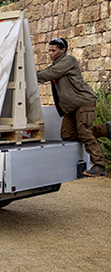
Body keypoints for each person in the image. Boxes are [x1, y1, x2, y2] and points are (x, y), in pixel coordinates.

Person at [37, 37, 110, 177]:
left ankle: (99, 165)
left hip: (83, 101)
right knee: (68, 135)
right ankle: (105, 129)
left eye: (53, 50)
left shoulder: (69, 60)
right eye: (49, 50)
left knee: (84, 132)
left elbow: (48, 74)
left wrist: (26, 74)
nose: (50, 53)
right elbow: (44, 72)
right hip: (71, 107)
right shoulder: (56, 63)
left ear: (63, 50)